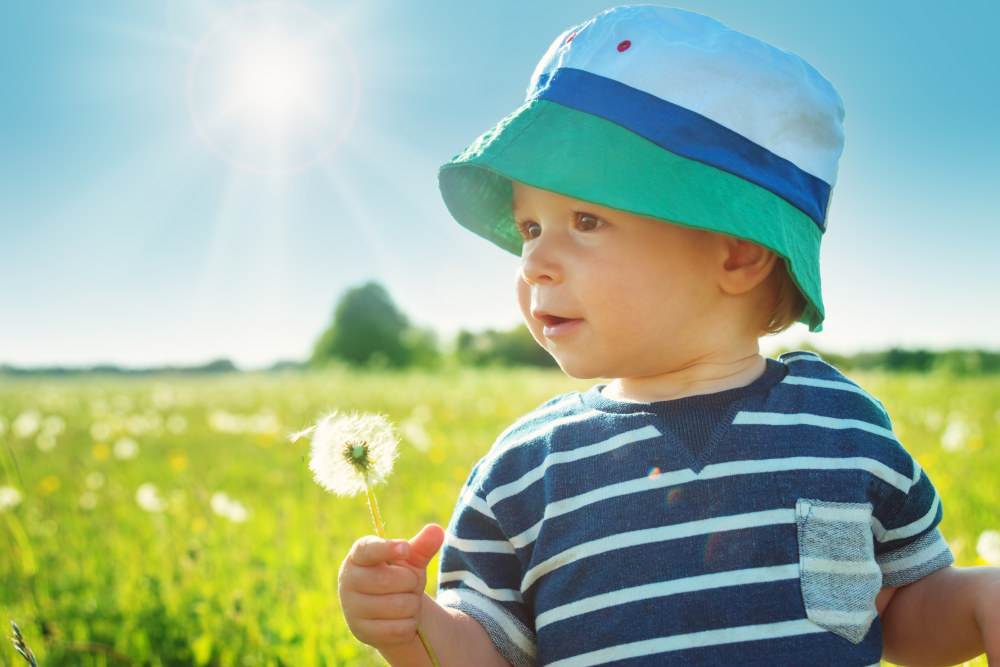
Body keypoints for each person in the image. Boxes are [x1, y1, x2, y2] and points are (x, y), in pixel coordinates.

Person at [337, 6, 1000, 665]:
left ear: (737, 251)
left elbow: (901, 617)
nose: (533, 259)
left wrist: (978, 601)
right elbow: (488, 653)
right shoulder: (522, 472)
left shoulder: (844, 431)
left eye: (586, 219)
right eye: (530, 227)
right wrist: (411, 623)